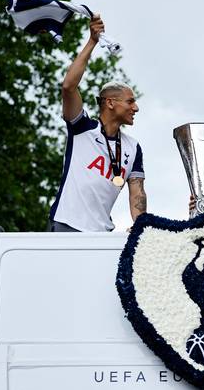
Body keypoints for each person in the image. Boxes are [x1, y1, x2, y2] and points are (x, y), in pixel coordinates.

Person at [48, 15, 147, 232]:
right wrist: (92, 41)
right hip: (66, 225)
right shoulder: (82, 127)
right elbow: (68, 87)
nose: (136, 108)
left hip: (102, 233)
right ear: (110, 103)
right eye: (130, 101)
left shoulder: (133, 147)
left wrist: (141, 225)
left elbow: (137, 192)